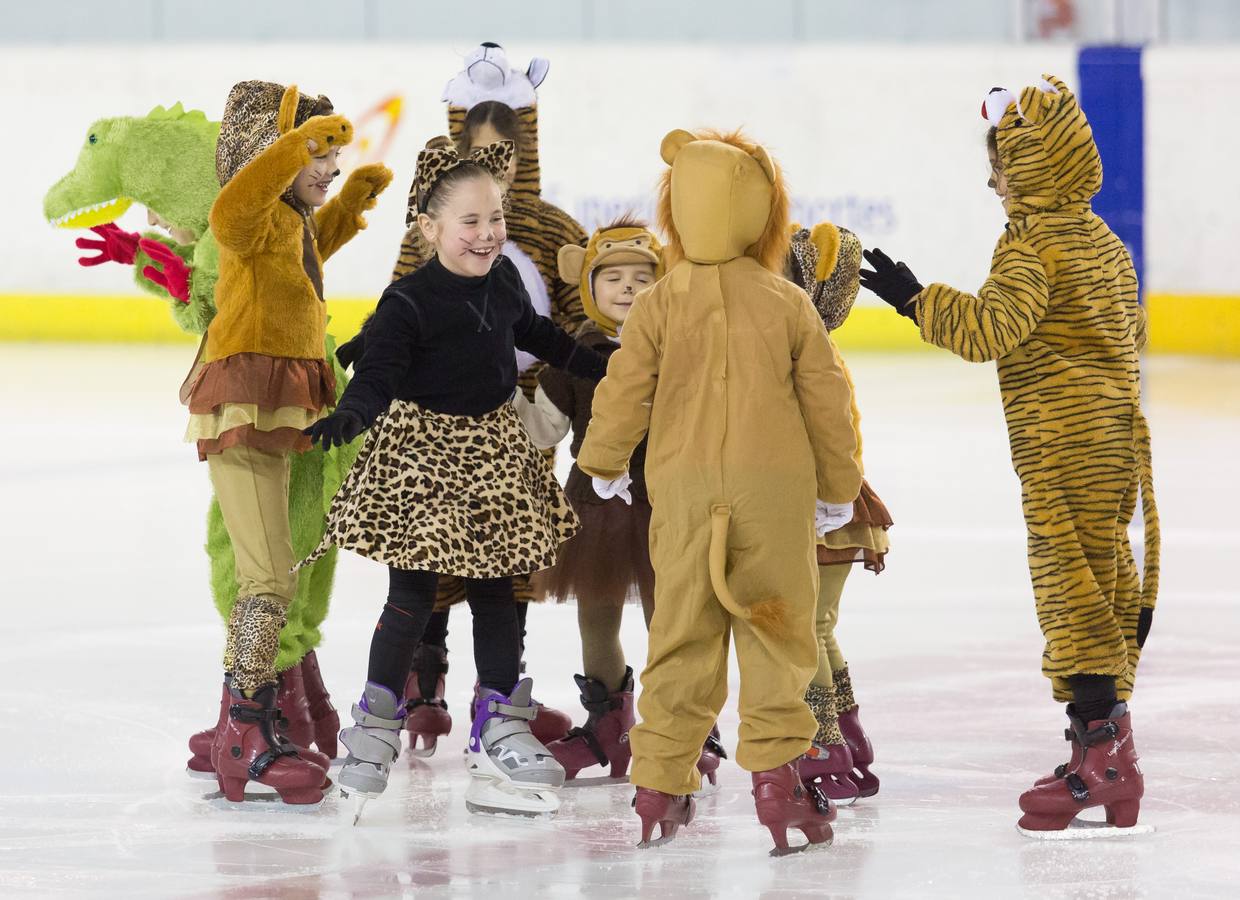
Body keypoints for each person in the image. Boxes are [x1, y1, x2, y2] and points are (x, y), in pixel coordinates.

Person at [861, 74, 1159, 837]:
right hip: (1114, 441)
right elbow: (1136, 334)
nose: (991, 182)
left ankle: (1106, 762)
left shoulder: (1033, 244)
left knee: (1071, 592)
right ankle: (1105, 747)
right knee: (1100, 581)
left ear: (1030, 165)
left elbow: (990, 329)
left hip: (1061, 447)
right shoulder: (1107, 243)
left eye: (999, 165)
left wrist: (913, 297)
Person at [301, 137, 608, 820]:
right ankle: (377, 724)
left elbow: (535, 330)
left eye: (494, 219)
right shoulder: (407, 303)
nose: (487, 234)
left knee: (499, 589)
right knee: (412, 594)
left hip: (494, 447)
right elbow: (377, 376)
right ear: (430, 227)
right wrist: (349, 416)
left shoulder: (500, 279)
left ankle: (501, 720)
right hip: (423, 456)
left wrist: (597, 366)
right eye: (470, 223)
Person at [577, 128, 862, 854]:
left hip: (681, 490)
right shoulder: (789, 304)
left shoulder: (658, 304)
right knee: (776, 632)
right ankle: (779, 783)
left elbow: (623, 389)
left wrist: (602, 461)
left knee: (679, 633)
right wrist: (840, 487)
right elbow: (829, 403)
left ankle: (659, 785)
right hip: (776, 493)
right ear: (764, 212)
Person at [184, 80, 392, 806]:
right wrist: (297, 149)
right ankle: (245, 726)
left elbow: (311, 250)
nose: (328, 166)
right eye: (317, 155)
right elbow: (232, 206)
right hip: (241, 402)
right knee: (268, 579)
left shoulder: (288, 224)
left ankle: (238, 721)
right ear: (271, 153)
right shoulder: (244, 218)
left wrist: (352, 204)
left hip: (279, 408)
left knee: (278, 575)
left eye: (333, 154)